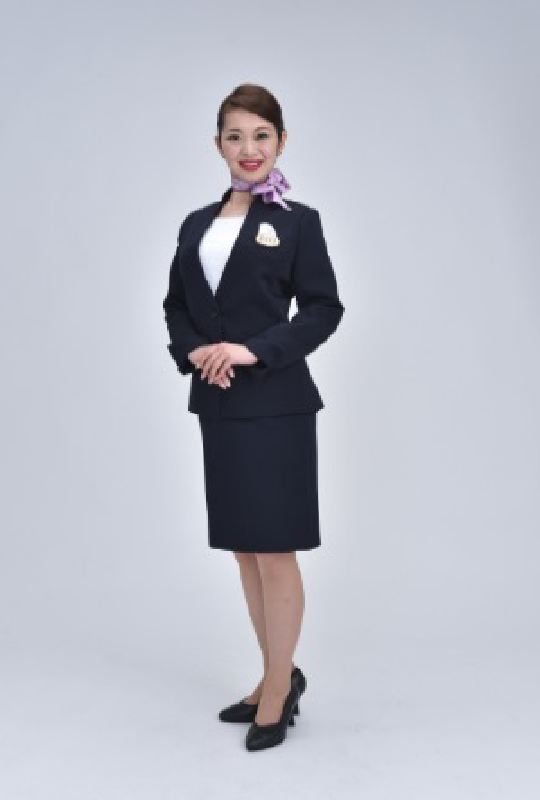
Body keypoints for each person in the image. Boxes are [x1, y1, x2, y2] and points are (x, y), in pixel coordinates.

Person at [162, 83, 345, 751]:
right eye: (235, 136)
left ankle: (277, 689)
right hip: (218, 403)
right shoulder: (195, 225)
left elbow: (323, 309)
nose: (249, 148)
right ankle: (276, 673)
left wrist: (251, 350)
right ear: (218, 144)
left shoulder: (297, 222)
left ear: (281, 141)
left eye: (261, 135)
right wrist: (197, 351)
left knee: (275, 548)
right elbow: (177, 307)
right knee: (245, 548)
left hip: (277, 406)